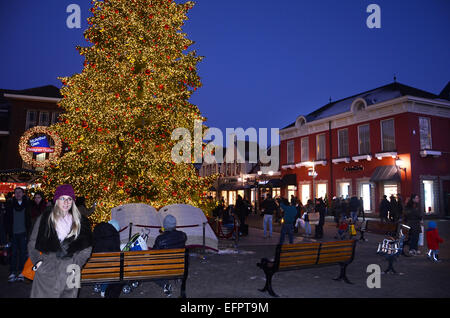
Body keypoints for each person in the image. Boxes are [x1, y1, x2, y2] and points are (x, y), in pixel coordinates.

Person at [27, 184, 93, 298]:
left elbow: (87, 246)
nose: (66, 202)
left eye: (69, 199)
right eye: (62, 198)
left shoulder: (80, 221)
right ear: (56, 200)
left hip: (72, 270)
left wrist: (77, 264)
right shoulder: (45, 219)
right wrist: (38, 262)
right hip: (48, 268)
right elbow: (32, 242)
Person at [153, 214, 187, 297]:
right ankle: (177, 277)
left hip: (164, 268)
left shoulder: (160, 239)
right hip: (179, 266)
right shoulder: (183, 235)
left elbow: (153, 254)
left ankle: (164, 284)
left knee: (151, 270)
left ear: (165, 225)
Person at [5, 187, 32, 282]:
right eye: (16, 192)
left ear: (23, 193)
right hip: (13, 233)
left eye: (20, 192)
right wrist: (8, 232)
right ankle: (13, 272)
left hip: (23, 233)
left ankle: (21, 272)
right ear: (14, 194)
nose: (18, 194)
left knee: (23, 253)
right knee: (14, 253)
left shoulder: (28, 204)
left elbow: (30, 218)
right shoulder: (10, 205)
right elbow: (7, 220)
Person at [92, 219, 122, 297]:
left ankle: (98, 283)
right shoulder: (114, 235)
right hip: (107, 267)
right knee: (114, 268)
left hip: (93, 265)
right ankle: (103, 290)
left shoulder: (97, 229)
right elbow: (116, 253)